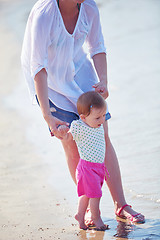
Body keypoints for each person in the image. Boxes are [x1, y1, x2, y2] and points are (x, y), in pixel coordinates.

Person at [21, 0, 145, 224]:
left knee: (102, 138)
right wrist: (47, 115)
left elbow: (96, 46)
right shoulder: (44, 15)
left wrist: (104, 80)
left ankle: (121, 204)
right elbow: (37, 66)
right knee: (72, 146)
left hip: (82, 77)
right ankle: (87, 209)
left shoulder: (88, 7)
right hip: (52, 87)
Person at [58, 91, 110, 230]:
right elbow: (69, 138)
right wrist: (64, 132)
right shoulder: (79, 126)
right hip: (87, 168)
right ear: (83, 117)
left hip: (97, 167)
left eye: (104, 115)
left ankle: (80, 216)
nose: (102, 120)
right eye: (98, 117)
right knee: (96, 195)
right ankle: (96, 218)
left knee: (87, 194)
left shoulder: (97, 124)